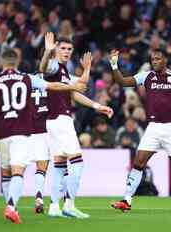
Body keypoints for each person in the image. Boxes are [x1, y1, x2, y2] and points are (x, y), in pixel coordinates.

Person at [0, 48, 88, 224]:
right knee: (18, 172)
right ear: (17, 62)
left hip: (0, 133)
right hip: (21, 131)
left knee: (5, 173)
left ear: (1, 61)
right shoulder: (27, 78)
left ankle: (9, 204)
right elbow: (53, 86)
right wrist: (72, 86)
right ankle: (12, 206)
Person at [109, 48, 171, 213]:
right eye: (152, 59)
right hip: (153, 127)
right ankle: (126, 201)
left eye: (157, 59)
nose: (154, 62)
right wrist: (114, 65)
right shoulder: (147, 76)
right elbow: (122, 82)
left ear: (165, 60)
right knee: (138, 162)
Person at [39, 32, 113, 218]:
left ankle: (55, 207)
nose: (66, 52)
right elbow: (43, 67)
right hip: (60, 120)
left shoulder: (62, 70)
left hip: (52, 122)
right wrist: (48, 52)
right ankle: (69, 205)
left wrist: (97, 105)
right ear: (56, 49)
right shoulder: (53, 66)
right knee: (77, 163)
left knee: (60, 165)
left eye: (69, 49)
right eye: (63, 48)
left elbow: (79, 88)